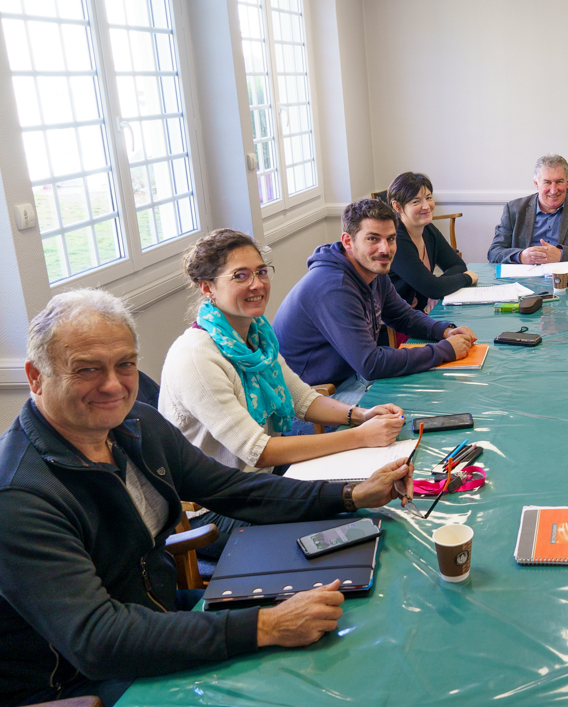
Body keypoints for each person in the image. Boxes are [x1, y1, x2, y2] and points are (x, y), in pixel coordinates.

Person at [0, 289, 414, 707]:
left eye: (124, 364)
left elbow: (234, 490)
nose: (113, 385)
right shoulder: (18, 496)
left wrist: (350, 494)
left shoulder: (137, 424)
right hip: (80, 681)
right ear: (36, 376)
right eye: (87, 369)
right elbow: (98, 639)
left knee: (346, 619)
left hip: (164, 614)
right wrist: (266, 626)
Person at [158, 229, 409, 555]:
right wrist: (360, 435)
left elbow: (301, 399)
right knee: (349, 529)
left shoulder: (256, 336)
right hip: (213, 510)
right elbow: (258, 451)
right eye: (240, 276)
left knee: (370, 508)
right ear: (208, 287)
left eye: (261, 272)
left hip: (261, 482)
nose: (257, 284)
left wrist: (360, 416)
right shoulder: (196, 357)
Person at [274, 199, 478, 387]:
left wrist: (444, 330)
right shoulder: (334, 288)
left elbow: (402, 316)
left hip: (350, 377)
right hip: (318, 400)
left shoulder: (371, 268)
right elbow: (371, 364)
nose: (385, 249)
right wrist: (444, 350)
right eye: (373, 239)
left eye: (391, 239)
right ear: (347, 241)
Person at [387, 172, 478, 315]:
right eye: (416, 201)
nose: (426, 206)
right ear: (397, 207)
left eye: (428, 198)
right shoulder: (395, 240)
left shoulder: (427, 229)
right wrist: (467, 278)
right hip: (396, 325)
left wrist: (437, 286)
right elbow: (433, 288)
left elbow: (458, 265)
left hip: (420, 315)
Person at [487, 155, 568, 264]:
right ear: (536, 183)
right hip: (523, 278)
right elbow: (494, 253)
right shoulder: (514, 209)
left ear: (567, 183)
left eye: (559, 181)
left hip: (564, 279)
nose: (554, 190)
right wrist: (520, 256)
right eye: (547, 182)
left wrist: (561, 255)